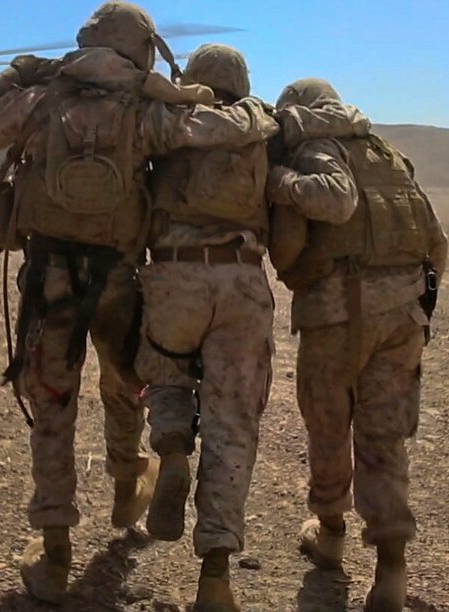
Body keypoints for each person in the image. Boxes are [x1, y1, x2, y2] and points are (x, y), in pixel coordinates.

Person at [0, 2, 277, 604]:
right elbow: (218, 131)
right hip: (119, 278)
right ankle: (128, 479)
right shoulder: (144, 109)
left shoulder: (40, 99)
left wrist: (12, 76)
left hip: (49, 276)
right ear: (141, 49)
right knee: (129, 382)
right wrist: (252, 111)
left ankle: (54, 552)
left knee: (52, 404)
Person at [265, 78, 448, 612]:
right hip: (404, 314)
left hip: (336, 314)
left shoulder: (314, 151)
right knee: (384, 436)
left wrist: (278, 183)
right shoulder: (387, 154)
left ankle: (331, 532)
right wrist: (416, 304)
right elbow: (437, 242)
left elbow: (320, 216)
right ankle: (391, 568)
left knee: (328, 424)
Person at [133, 43, 276, 612]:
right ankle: (215, 577)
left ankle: (170, 447)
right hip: (240, 280)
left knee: (165, 369)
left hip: (171, 273)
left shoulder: (165, 125)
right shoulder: (260, 127)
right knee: (233, 424)